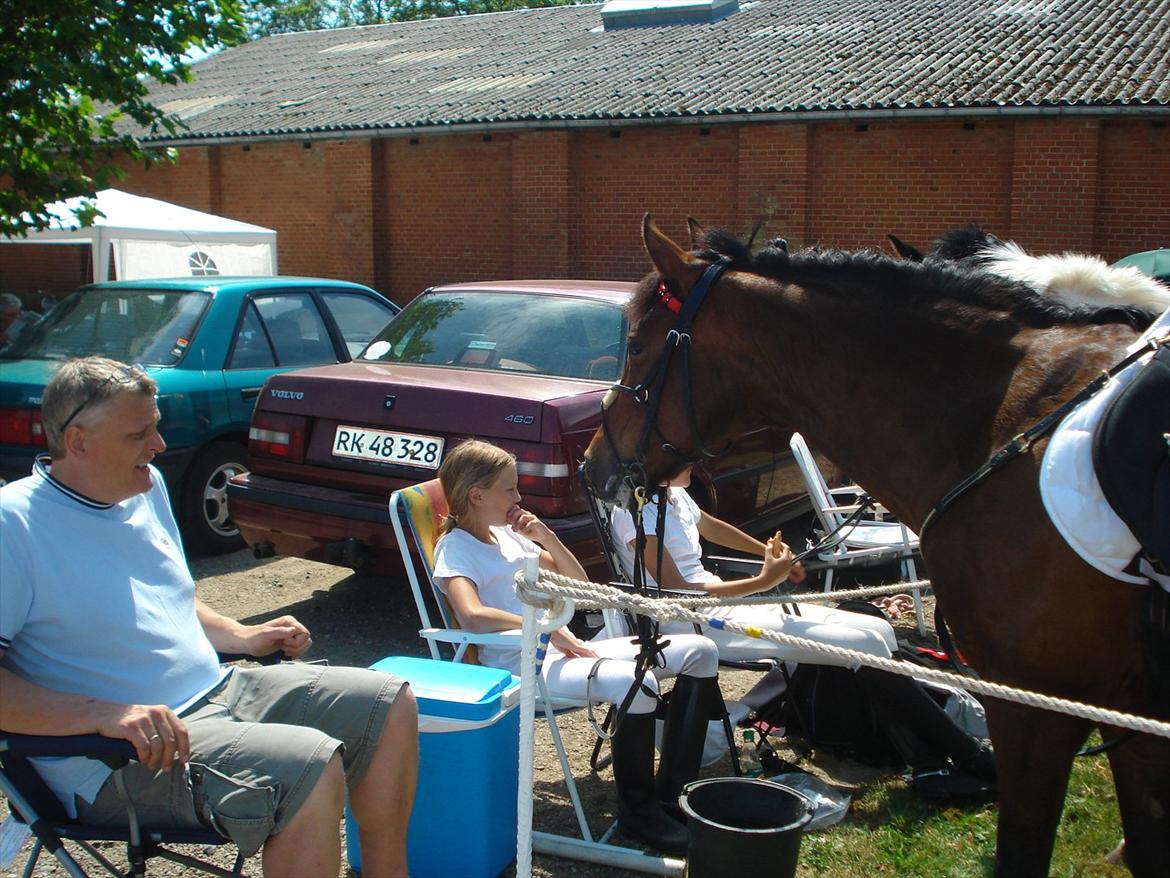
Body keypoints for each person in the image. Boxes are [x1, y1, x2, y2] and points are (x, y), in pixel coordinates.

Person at [0, 357, 418, 877]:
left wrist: (242, 634)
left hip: (215, 692)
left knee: (388, 701)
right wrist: (102, 714)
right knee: (308, 764)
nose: (158, 445)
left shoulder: (144, 486)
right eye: (139, 433)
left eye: (155, 427)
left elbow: (168, 597)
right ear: (79, 442)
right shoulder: (13, 525)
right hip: (114, 756)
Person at [611, 466, 997, 800]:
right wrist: (764, 580)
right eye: (683, 455)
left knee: (879, 628)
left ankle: (929, 762)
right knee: (864, 643)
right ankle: (964, 756)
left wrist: (771, 553)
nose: (694, 461)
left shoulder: (674, 495)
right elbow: (678, 591)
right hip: (691, 622)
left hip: (722, 607)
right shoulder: (634, 510)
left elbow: (712, 528)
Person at [432, 439, 721, 855]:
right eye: (510, 489)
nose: (518, 497)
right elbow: (472, 614)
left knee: (699, 651)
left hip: (556, 648)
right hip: (522, 666)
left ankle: (670, 798)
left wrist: (544, 535)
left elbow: (580, 585)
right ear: (477, 495)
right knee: (635, 683)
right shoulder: (456, 547)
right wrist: (545, 628)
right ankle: (638, 816)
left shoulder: (506, 537)